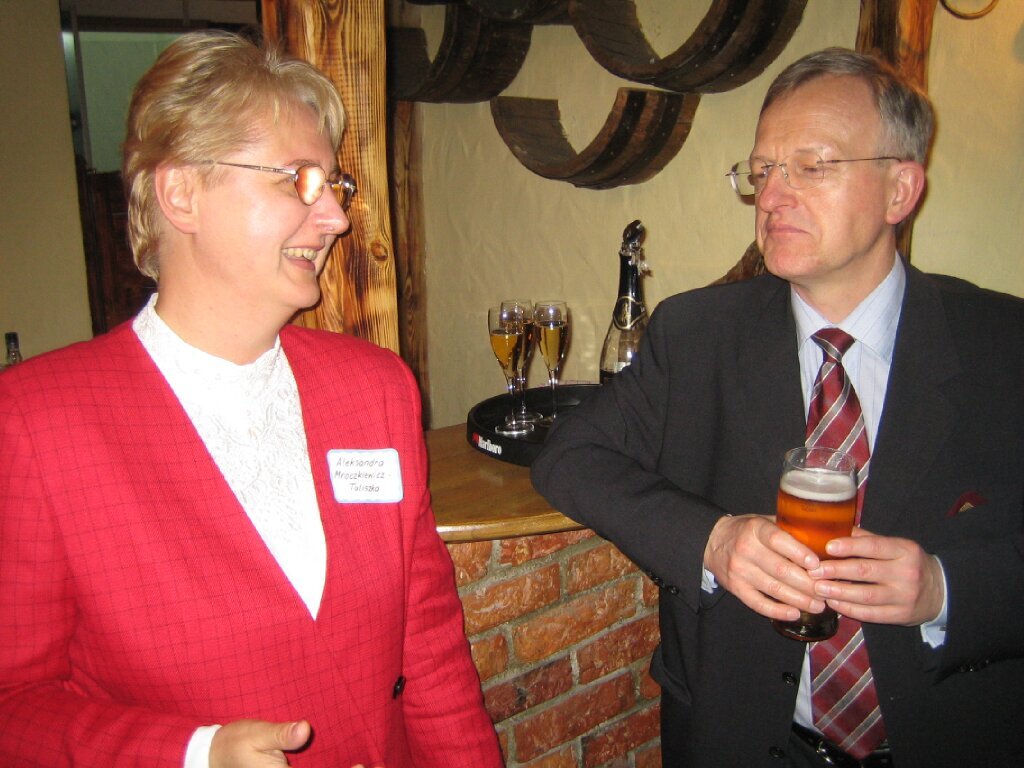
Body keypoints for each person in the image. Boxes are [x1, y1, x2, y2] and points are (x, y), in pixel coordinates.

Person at [0, 30, 502, 768]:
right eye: (298, 180)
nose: (335, 218)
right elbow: (14, 703)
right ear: (182, 194)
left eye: (333, 186)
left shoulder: (375, 390)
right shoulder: (35, 423)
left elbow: (428, 651)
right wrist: (192, 753)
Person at [532, 47, 1023, 768]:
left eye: (812, 166)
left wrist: (945, 591)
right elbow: (569, 458)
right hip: (738, 740)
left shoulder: (1003, 345)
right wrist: (713, 541)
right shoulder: (697, 334)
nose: (772, 197)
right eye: (763, 171)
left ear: (900, 190)